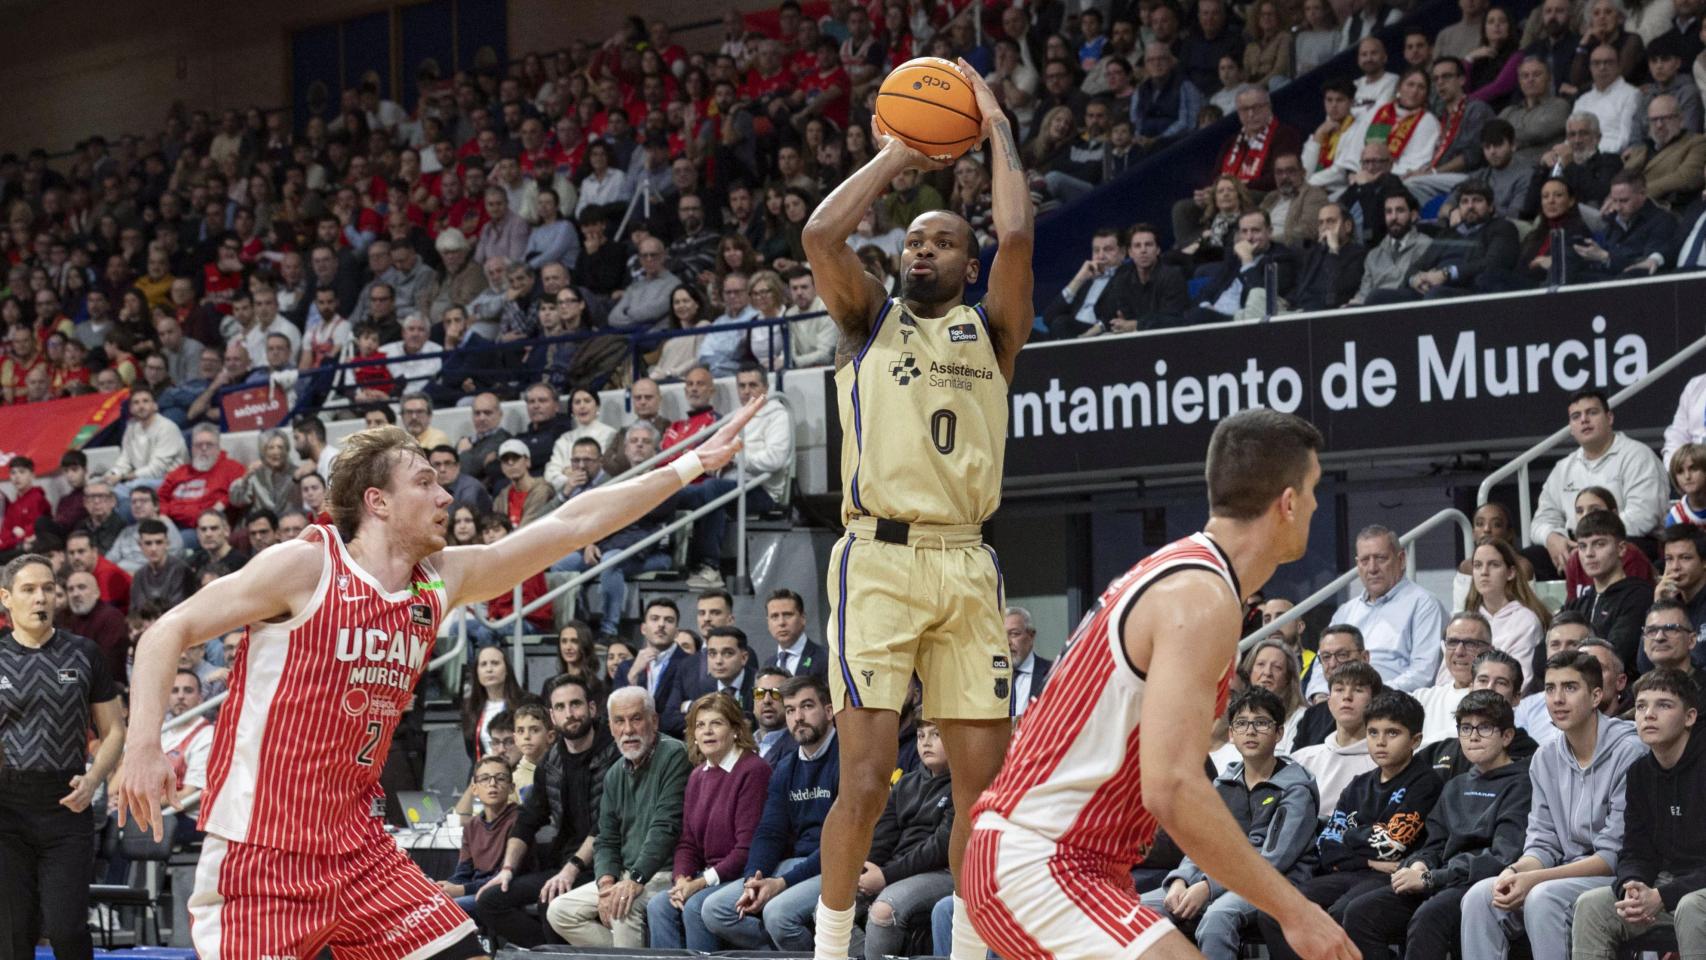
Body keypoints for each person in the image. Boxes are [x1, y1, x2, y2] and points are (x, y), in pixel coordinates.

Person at [115, 400, 760, 960]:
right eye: (425, 482)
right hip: (265, 850)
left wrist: (690, 465)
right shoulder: (307, 566)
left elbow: (572, 523)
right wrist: (143, 745)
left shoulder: (441, 579)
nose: (447, 496)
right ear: (378, 501)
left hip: (357, 848)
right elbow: (167, 631)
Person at [965, 409, 1357, 960]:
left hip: (1069, 862)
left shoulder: (1188, 575)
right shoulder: (1199, 597)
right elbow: (1172, 787)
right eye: (1313, 490)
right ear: (1288, 503)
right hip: (1043, 860)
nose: (1316, 506)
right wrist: (1295, 911)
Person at [1459, 650, 1646, 959]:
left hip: (1619, 877)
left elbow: (1615, 855)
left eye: (1570, 688)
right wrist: (1516, 870)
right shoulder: (1544, 758)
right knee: (1482, 895)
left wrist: (1535, 878)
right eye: (1549, 688)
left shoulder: (1629, 752)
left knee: (1542, 897)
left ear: (1596, 695)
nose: (1557, 698)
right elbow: (1542, 843)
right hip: (1563, 874)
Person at [1338, 689, 1534, 957]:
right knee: (1360, 913)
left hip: (1479, 884)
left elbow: (1502, 857)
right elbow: (1434, 842)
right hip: (1440, 879)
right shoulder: (1456, 785)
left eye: (1484, 728)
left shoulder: (1522, 783)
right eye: (1466, 728)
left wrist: (1430, 878)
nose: (1473, 736)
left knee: (1429, 917)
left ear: (1507, 736)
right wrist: (1419, 864)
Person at [1252, 690, 1443, 960]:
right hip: (1357, 872)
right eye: (1373, 732)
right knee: (1277, 910)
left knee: (1341, 915)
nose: (1380, 742)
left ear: (1415, 740)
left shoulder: (1425, 782)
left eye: (1392, 733)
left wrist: (1351, 837)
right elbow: (1326, 845)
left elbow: (1391, 845)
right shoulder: (1358, 784)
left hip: (1394, 878)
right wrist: (1368, 857)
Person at [0, 554, 125, 960]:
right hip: (7, 807)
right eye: (29, 589)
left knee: (67, 929)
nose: (41, 598)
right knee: (14, 934)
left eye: (48, 588)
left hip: (68, 802)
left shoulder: (84, 653)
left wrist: (93, 779)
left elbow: (114, 731)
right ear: (6, 598)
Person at [1139, 686, 1319, 960]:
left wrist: (1208, 887)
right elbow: (1200, 841)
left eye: (1261, 723)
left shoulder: (1295, 789)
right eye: (1242, 724)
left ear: (1279, 733)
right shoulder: (1223, 783)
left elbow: (1273, 860)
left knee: (1217, 918)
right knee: (1140, 911)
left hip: (1275, 884)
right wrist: (1181, 880)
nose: (1251, 731)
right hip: (1220, 878)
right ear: (1231, 734)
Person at [1572, 667, 1706, 958]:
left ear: (1690, 717)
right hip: (1669, 888)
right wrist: (1632, 885)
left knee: (1692, 906)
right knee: (1592, 906)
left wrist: (1662, 896)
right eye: (1642, 706)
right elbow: (1635, 848)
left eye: (1664, 705)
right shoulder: (1640, 773)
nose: (1649, 714)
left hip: (1693, 894)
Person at [477, 675, 619, 948]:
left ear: (591, 708)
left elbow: (604, 825)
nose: (570, 713)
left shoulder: (613, 754)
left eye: (575, 704)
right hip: (563, 861)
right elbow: (527, 820)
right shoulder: (551, 761)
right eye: (562, 707)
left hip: (603, 863)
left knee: (550, 897)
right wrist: (507, 869)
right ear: (553, 716)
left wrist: (570, 870)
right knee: (490, 900)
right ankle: (547, 953)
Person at [544, 686, 690, 948]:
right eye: (619, 721)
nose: (628, 730)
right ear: (610, 727)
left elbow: (665, 827)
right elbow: (606, 837)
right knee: (560, 911)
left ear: (653, 721)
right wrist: (606, 883)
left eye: (636, 718)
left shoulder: (674, 755)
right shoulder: (614, 773)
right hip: (625, 875)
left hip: (662, 873)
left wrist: (635, 880)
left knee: (622, 908)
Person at [646, 691, 772, 950]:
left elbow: (746, 849)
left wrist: (700, 883)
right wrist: (681, 879)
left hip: (743, 873)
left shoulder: (753, 770)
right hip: (710, 875)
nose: (707, 732)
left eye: (716, 723)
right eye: (700, 725)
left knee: (694, 906)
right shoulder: (697, 776)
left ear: (735, 729)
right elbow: (687, 842)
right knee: (659, 905)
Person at [1528, 388, 1670, 579]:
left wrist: (1592, 541)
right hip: (1576, 545)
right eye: (1576, 416)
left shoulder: (1638, 456)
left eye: (1592, 412)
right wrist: (1552, 537)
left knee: (1630, 548)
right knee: (1529, 558)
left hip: (1626, 541)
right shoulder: (1563, 468)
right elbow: (1541, 521)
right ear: (1571, 427)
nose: (1584, 420)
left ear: (1609, 417)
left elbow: (1643, 517)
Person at [1312, 524, 1447, 698]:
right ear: (1357, 564)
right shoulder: (1345, 612)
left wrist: (1371, 694)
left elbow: (1424, 673)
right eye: (1365, 560)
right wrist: (1320, 694)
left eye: (1381, 558)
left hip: (1393, 705)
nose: (1372, 568)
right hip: (1342, 704)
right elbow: (1321, 662)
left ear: (1401, 559)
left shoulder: (1424, 605)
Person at [1567, 510, 1656, 678]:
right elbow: (1544, 655)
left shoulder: (1639, 596)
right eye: (1582, 546)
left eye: (1599, 544)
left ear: (1621, 548)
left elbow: (1614, 654)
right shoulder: (1578, 604)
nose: (1589, 554)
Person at [1292, 661, 1385, 809]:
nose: (1347, 696)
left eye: (1358, 690)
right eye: (1339, 689)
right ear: (1329, 703)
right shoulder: (1301, 761)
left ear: (1375, 702)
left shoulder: (1386, 764)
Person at [440, 756, 520, 917]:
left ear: (511, 787)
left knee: (447, 909)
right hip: (474, 889)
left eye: (501, 778)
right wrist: (445, 887)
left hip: (501, 891)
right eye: (485, 779)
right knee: (429, 903)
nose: (492, 784)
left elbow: (505, 876)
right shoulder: (472, 826)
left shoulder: (519, 820)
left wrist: (461, 890)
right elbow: (463, 873)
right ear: (474, 789)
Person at [1464, 538, 1548, 673]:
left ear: (1510, 573)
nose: (1484, 572)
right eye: (1478, 565)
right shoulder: (1465, 621)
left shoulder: (1526, 621)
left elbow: (1520, 681)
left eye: (1494, 565)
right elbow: (1445, 677)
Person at [1416, 612, 1496, 744]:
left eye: (1470, 644)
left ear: (1490, 651)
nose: (1459, 651)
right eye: (1452, 642)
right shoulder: (1422, 698)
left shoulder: (1497, 700)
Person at [763, 587, 827, 680]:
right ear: (768, 622)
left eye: (787, 615)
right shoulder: (768, 665)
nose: (781, 622)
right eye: (774, 616)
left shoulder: (825, 658)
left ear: (803, 618)